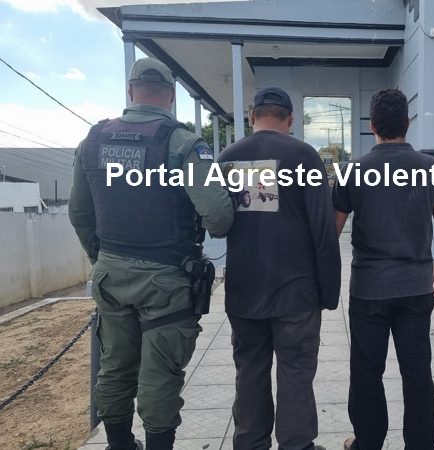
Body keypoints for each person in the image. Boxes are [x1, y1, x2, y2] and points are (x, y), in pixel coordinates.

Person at [68, 58, 234, 450]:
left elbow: (79, 213)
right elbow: (219, 217)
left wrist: (103, 257)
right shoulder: (183, 143)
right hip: (166, 279)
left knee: (114, 367)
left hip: (110, 274)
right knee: (159, 375)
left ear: (130, 91)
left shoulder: (92, 141)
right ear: (172, 96)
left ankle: (119, 445)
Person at [332, 88, 434, 450]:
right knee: (417, 372)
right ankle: (420, 444)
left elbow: (330, 232)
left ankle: (368, 442)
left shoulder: (351, 171)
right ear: (407, 123)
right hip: (416, 288)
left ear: (372, 125)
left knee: (366, 372)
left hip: (368, 290)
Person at [217, 87, 341, 450]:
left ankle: (250, 444)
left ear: (252, 116)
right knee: (296, 372)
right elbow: (323, 230)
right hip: (296, 293)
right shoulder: (304, 156)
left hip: (244, 291)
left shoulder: (227, 158)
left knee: (250, 370)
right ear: (290, 119)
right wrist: (329, 292)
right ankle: (296, 445)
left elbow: (216, 221)